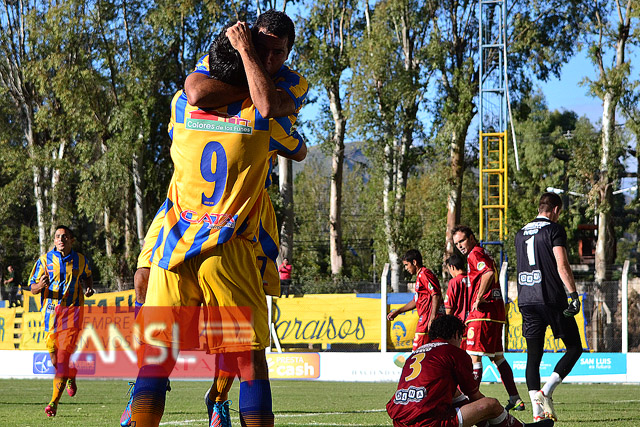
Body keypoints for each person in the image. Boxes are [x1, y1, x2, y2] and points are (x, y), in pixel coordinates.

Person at [127, 21, 305, 427]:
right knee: (250, 358)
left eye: (278, 53)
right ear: (247, 58)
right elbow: (297, 147)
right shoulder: (269, 119)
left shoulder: (179, 107)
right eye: (261, 53)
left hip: (175, 242)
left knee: (158, 354)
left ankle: (154, 407)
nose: (270, 60)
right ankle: (223, 404)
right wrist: (258, 89)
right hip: (228, 249)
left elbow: (195, 92)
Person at [387, 314, 553, 427]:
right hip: (428, 422)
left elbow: (459, 397)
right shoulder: (454, 352)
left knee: (457, 397)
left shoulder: (417, 352)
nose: (461, 342)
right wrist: (494, 414)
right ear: (456, 334)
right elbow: (475, 396)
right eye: (461, 337)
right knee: (491, 404)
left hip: (400, 420)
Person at [514, 192, 583, 422]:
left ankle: (536, 414)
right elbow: (561, 264)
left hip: (526, 299)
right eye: (559, 212)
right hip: (551, 298)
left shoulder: (520, 232)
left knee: (533, 356)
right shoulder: (554, 230)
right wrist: (573, 294)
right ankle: (547, 391)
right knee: (574, 348)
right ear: (554, 209)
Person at [452, 225, 524, 412]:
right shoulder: (483, 253)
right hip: (495, 313)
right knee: (497, 358)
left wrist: (478, 298)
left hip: (483, 314)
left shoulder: (474, 254)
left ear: (472, 237)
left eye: (462, 241)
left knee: (474, 357)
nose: (460, 246)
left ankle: (469, 400)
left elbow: (489, 273)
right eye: (456, 243)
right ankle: (515, 398)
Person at [28, 225, 94, 418]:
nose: (61, 239)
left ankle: (53, 403)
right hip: (50, 318)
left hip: (73, 315)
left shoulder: (80, 260)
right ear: (54, 240)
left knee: (63, 359)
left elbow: (88, 276)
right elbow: (32, 287)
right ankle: (71, 375)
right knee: (57, 363)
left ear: (71, 240)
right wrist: (40, 285)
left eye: (65, 236)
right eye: (57, 236)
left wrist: (89, 289)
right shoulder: (44, 261)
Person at [387, 249, 443, 351]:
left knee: (417, 354)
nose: (406, 268)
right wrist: (398, 312)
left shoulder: (425, 274)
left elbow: (436, 294)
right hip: (426, 319)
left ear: (414, 262)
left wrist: (432, 317)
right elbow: (415, 301)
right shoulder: (420, 277)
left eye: (406, 265)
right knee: (429, 354)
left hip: (427, 320)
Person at [444, 254, 471, 349]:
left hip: (458, 328)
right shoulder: (473, 279)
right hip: (472, 325)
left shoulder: (454, 282)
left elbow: (449, 308)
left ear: (452, 267)